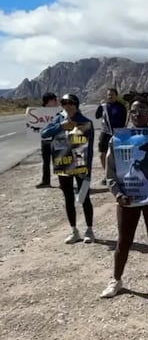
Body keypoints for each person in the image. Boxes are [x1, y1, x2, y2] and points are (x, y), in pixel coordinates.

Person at [101, 99, 148, 299]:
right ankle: (116, 279)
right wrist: (117, 193)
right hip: (128, 197)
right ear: (129, 114)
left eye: (141, 109)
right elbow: (110, 170)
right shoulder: (119, 138)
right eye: (133, 110)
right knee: (124, 241)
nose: (137, 113)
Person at [41, 94, 96, 244]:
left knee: (84, 197)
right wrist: (60, 126)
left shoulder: (86, 122)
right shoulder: (58, 119)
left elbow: (90, 149)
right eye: (65, 103)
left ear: (76, 104)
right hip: (63, 165)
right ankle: (74, 231)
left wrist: (89, 169)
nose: (68, 105)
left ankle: (90, 230)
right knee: (68, 198)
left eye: (71, 103)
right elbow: (44, 133)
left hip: (80, 165)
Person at [95, 88, 128, 185]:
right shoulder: (104, 106)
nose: (110, 96)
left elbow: (124, 121)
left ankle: (117, 174)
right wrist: (99, 106)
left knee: (116, 155)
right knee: (102, 154)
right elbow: (97, 116)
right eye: (109, 94)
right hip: (105, 132)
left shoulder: (121, 107)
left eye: (112, 94)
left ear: (116, 95)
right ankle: (107, 175)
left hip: (117, 133)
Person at [36, 92, 59, 188]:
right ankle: (46, 181)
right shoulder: (40, 112)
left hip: (56, 140)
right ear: (48, 101)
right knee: (46, 162)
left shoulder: (59, 112)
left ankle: (63, 181)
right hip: (45, 140)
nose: (56, 102)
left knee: (58, 162)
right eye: (54, 100)